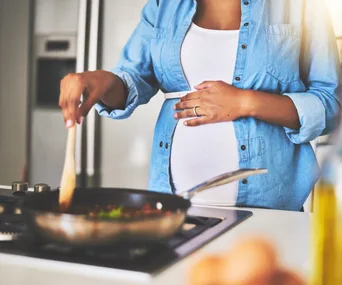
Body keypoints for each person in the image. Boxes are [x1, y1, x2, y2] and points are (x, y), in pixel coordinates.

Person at [59, 0, 341, 211]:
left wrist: (246, 102)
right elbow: (131, 80)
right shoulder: (164, 5)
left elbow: (331, 104)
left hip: (269, 211)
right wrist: (102, 81)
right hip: (174, 208)